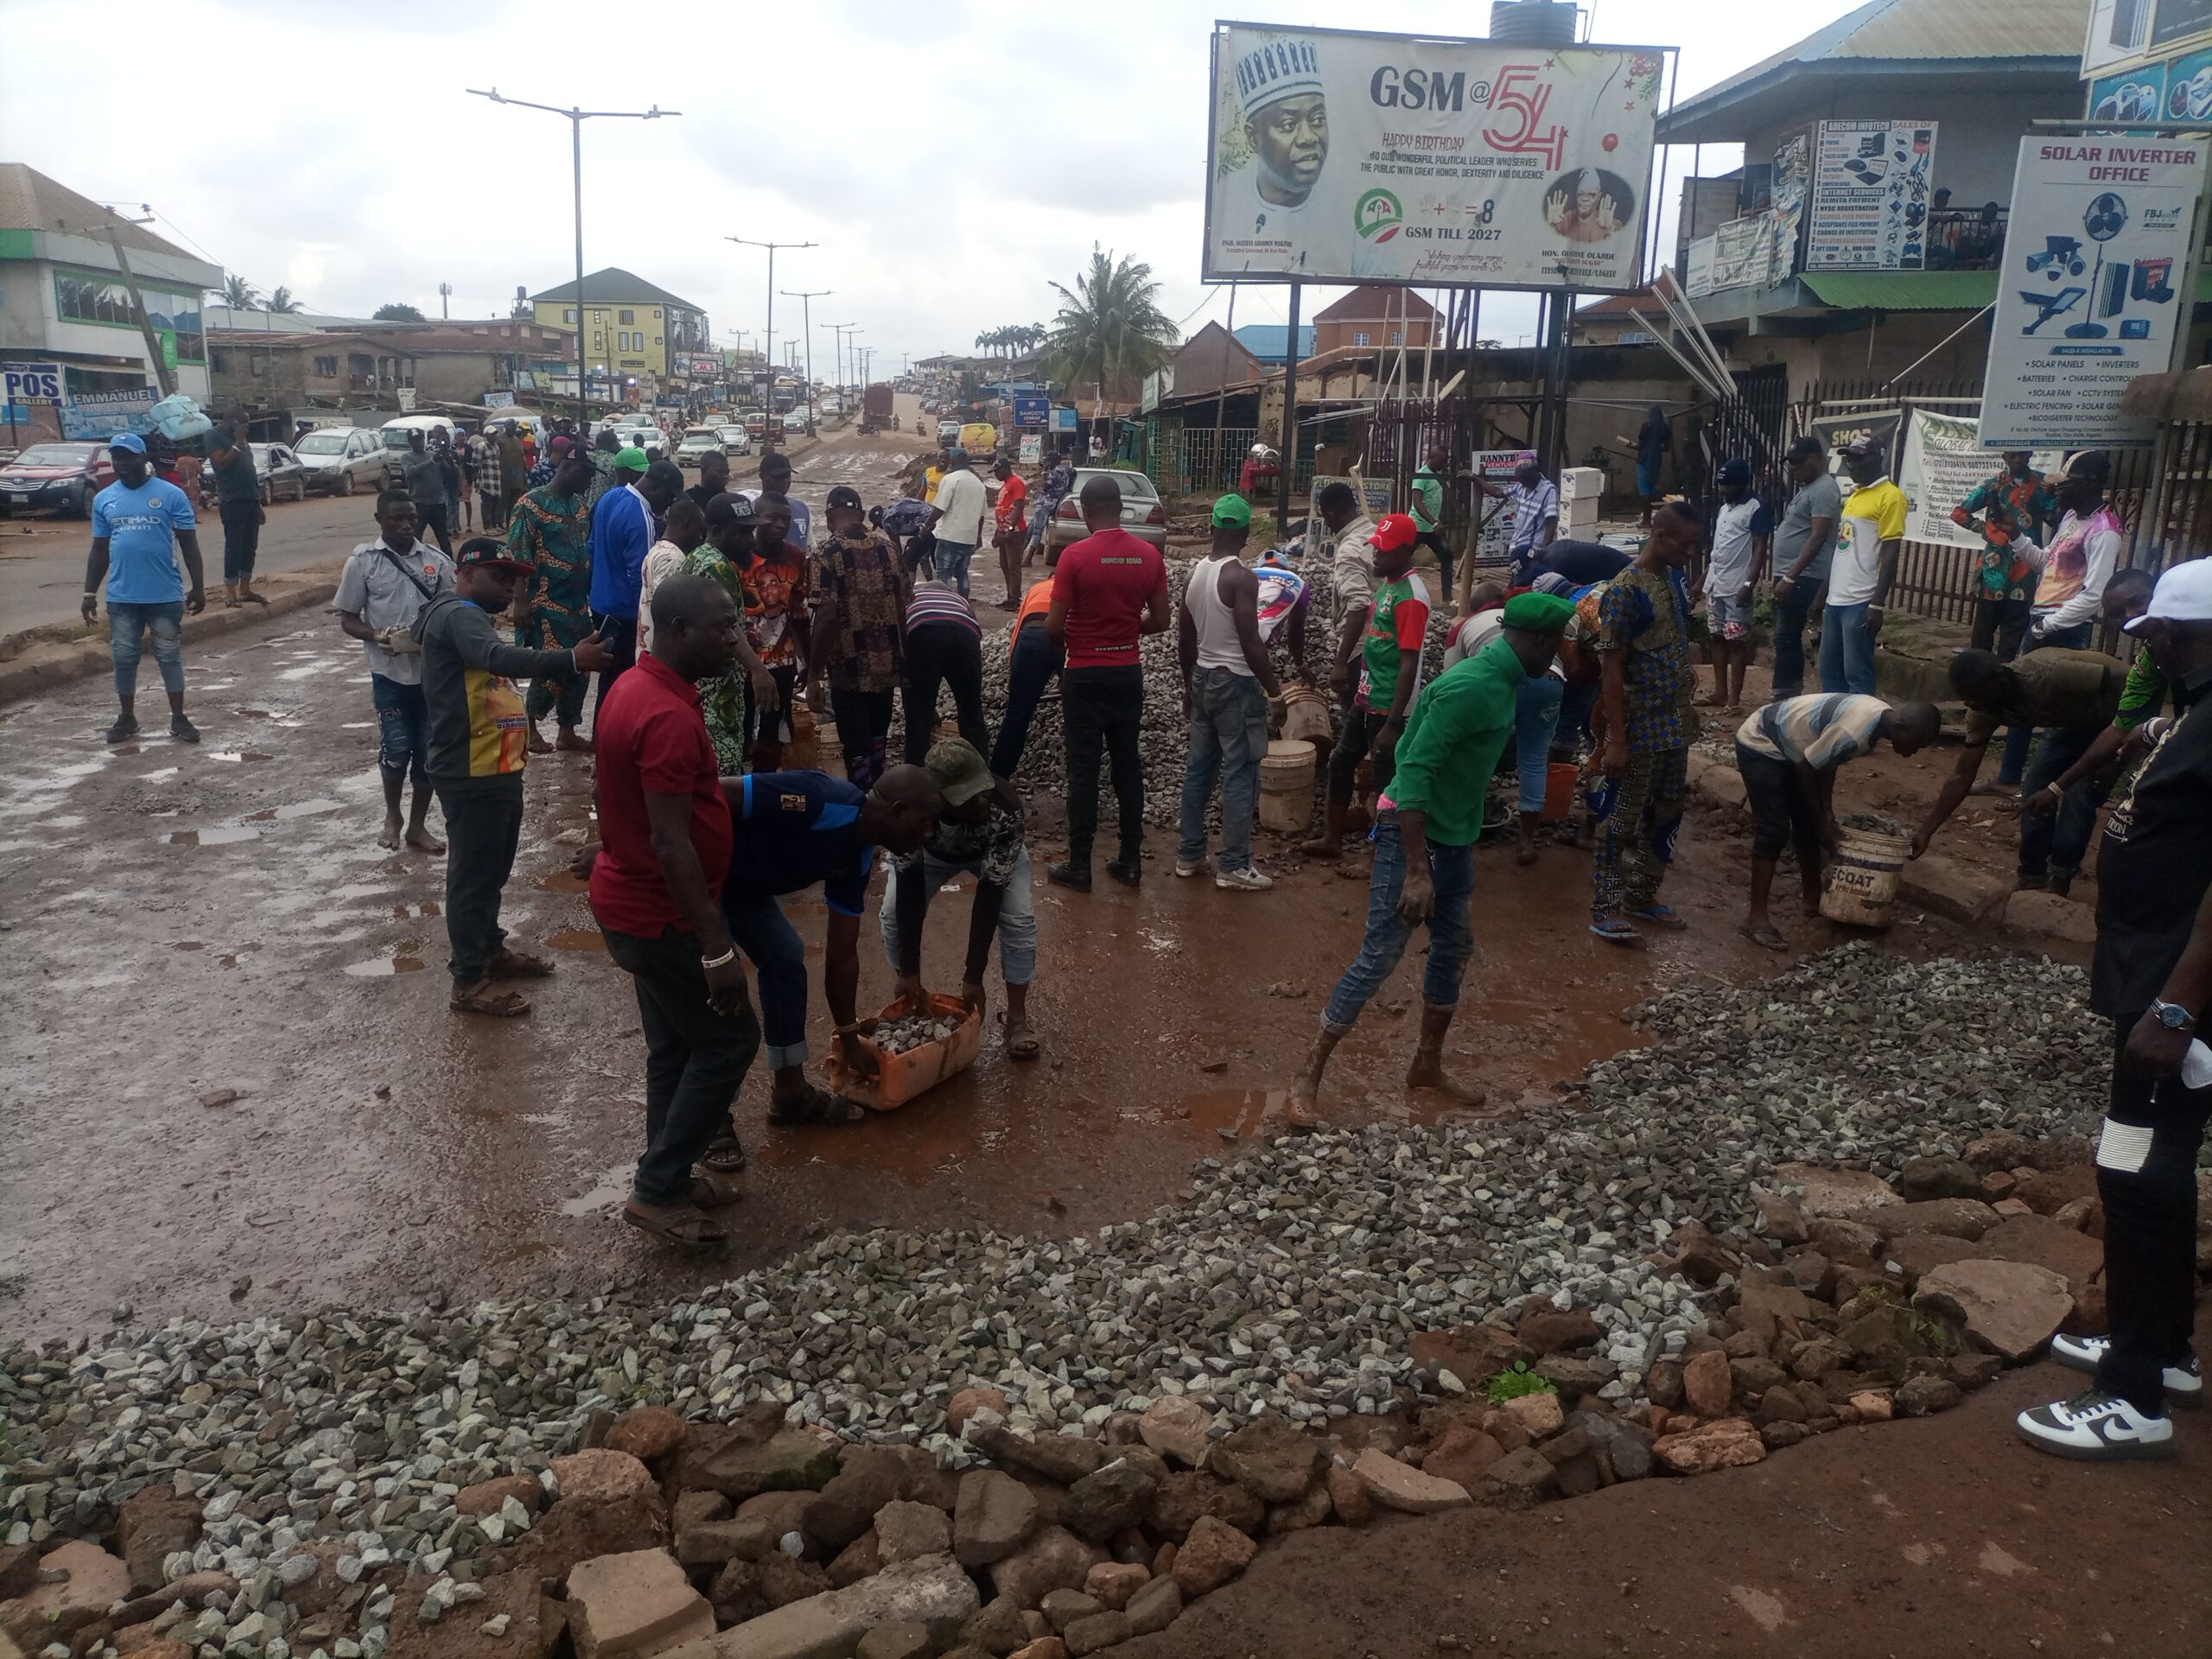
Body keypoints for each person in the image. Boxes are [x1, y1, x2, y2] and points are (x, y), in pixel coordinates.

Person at [2016, 557, 2212, 1462]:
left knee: (2135, 1169)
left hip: (2174, 999)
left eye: (2159, 632)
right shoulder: (2193, 712)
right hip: (2152, 979)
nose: (2150, 646)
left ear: (2191, 632)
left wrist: (2176, 1009)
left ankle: (2133, 1397)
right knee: (2152, 1164)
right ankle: (2161, 1347)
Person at [1286, 593, 1576, 1130]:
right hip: (1413, 835)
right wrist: (1417, 871)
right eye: (1557, 644)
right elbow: (1413, 772)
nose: (1560, 655)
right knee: (1380, 954)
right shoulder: (1472, 687)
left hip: (1454, 835)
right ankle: (1307, 1077)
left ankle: (1426, 1065)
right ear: (1539, 642)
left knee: (1453, 947)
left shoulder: (1504, 680)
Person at [586, 573, 754, 1249]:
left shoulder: (635, 687)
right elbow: (670, 842)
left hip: (632, 904)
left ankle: (669, 1177)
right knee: (731, 1041)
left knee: (674, 1048)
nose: (733, 639)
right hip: (660, 918)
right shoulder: (665, 717)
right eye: (722, 628)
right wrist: (716, 949)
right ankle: (657, 1189)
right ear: (679, 632)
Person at [416, 537, 613, 1017]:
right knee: (473, 877)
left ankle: (489, 950)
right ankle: (469, 980)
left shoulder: (465, 616)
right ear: (465, 574)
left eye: (514, 578)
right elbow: (499, 658)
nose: (510, 587)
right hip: (472, 770)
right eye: (500, 577)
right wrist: (569, 659)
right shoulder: (458, 615)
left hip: (493, 766)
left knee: (491, 871)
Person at [715, 765, 941, 1126]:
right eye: (926, 821)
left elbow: (842, 955)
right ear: (898, 812)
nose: (928, 834)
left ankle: (789, 1092)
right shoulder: (817, 798)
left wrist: (850, 1040)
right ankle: (709, 1123)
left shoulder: (857, 857)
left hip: (742, 887)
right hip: (699, 877)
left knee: (785, 958)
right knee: (717, 985)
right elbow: (712, 793)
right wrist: (639, 848)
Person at [1913, 645, 2130, 895]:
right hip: (2067, 725)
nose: (1971, 703)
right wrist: (1926, 831)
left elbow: (2125, 681)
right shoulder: (1982, 711)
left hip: (2111, 722)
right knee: (2035, 791)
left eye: (1975, 695)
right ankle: (2033, 874)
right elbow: (1962, 775)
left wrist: (2120, 749)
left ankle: (2061, 877)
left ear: (1998, 679)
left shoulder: (2049, 673)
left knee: (2079, 796)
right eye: (1964, 698)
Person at [1733, 696, 1941, 950]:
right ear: (1900, 726)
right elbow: (1807, 769)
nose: (1913, 753)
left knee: (1808, 822)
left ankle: (1812, 899)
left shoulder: (1878, 720)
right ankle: (1755, 919)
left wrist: (1826, 814)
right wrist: (1822, 820)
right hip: (1761, 740)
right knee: (1773, 830)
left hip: (1793, 748)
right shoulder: (1855, 733)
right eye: (1916, 744)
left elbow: (1826, 761)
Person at [1046, 473, 1170, 890]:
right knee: (1127, 765)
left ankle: (1079, 866)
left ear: (1085, 512)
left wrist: (1075, 641)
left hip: (1084, 675)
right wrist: (1128, 631)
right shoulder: (1149, 556)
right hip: (1126, 673)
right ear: (1120, 509)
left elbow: (1052, 626)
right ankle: (1130, 861)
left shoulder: (1074, 557)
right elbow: (1162, 620)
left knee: (1083, 770)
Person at [883, 737, 1041, 1062]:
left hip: (989, 850)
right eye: (966, 797)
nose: (979, 801)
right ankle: (910, 995)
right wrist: (909, 968)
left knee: (1020, 918)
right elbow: (910, 888)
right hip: (930, 855)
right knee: (891, 913)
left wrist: (973, 976)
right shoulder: (908, 811)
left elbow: (990, 892)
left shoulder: (1004, 808)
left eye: (980, 789)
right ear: (937, 796)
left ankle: (1017, 1018)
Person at [1591, 500, 1700, 944]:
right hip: (1640, 727)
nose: (1690, 553)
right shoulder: (1624, 592)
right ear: (1660, 536)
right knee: (1621, 818)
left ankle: (1642, 894)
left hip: (1676, 724)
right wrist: (1616, 740)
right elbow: (1610, 670)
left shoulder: (1671, 580)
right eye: (1685, 544)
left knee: (1669, 810)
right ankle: (1605, 907)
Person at [1302, 513, 1432, 861]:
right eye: (1376, 548)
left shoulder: (1411, 597)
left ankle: (1382, 858)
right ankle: (1332, 839)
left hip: (1389, 704)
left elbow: (1409, 662)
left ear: (1407, 551)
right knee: (1341, 761)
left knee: (1386, 780)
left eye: (1385, 551)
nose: (1377, 555)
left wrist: (1393, 722)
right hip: (1367, 695)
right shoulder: (1389, 583)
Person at [336, 489, 454, 853]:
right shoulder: (363, 563)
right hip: (388, 674)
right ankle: (393, 817)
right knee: (396, 749)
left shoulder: (436, 562)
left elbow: (453, 611)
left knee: (428, 754)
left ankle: (417, 826)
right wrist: (376, 635)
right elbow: (348, 619)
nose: (406, 525)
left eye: (411, 518)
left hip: (431, 676)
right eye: (396, 519)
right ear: (379, 520)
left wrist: (434, 639)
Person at [1176, 493, 1284, 892]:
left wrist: (1189, 687)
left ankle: (1190, 854)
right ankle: (1235, 864)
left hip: (1203, 678)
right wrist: (1275, 693)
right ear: (1245, 531)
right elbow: (1251, 641)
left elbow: (1185, 639)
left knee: (1199, 770)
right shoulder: (1241, 577)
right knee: (1241, 773)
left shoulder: (1194, 576)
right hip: (1236, 684)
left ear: (1211, 528)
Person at [82, 431, 205, 745]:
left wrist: (199, 587)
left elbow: (189, 544)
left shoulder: (171, 495)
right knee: (124, 657)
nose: (122, 463)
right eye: (117, 457)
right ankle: (127, 718)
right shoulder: (104, 499)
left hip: (164, 595)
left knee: (169, 656)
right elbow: (99, 549)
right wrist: (89, 593)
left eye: (129, 457)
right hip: (122, 597)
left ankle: (178, 718)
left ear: (144, 458)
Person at [2023, 569, 2164, 811]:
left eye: (2137, 601)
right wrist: (2056, 789)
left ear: (2159, 593)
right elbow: (2122, 726)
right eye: (2117, 614)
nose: (2130, 615)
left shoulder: (2196, 634)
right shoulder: (2149, 659)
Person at [808, 485, 909, 789]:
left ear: (829, 518)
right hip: (887, 666)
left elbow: (826, 616)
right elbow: (904, 605)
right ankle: (879, 797)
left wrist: (814, 676)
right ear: (862, 516)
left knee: (855, 748)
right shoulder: (891, 550)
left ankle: (862, 804)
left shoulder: (824, 553)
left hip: (848, 669)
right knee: (878, 740)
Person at [508, 448, 598, 754]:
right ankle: (530, 728)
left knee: (582, 666)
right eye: (585, 474)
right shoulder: (530, 505)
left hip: (578, 604)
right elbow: (518, 555)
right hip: (544, 601)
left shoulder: (580, 505)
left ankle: (567, 731)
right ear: (567, 467)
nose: (588, 481)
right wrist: (520, 602)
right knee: (548, 666)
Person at [689, 493, 776, 775]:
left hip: (705, 685)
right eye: (741, 532)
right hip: (716, 691)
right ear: (716, 531)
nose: (751, 539)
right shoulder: (716, 567)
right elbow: (727, 625)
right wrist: (758, 669)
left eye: (751, 531)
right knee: (722, 771)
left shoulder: (700, 557)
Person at [587, 449, 673, 719]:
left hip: (600, 605)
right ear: (656, 488)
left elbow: (592, 547)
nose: (668, 504)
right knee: (627, 681)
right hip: (626, 612)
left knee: (608, 677)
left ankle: (600, 731)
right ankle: (616, 732)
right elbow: (641, 577)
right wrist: (651, 622)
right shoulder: (641, 518)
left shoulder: (609, 497)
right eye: (669, 497)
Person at [1820, 440, 1906, 696]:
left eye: (1858, 459)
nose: (1851, 465)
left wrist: (1876, 604)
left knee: (1857, 672)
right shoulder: (1855, 495)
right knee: (1829, 670)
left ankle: (1863, 720)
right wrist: (1824, 593)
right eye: (1849, 459)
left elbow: (1891, 552)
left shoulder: (1891, 497)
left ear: (1877, 458)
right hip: (1835, 600)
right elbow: (1842, 550)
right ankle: (1835, 717)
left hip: (1860, 600)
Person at [1952, 451, 2056, 658]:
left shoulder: (2042, 485)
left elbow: (2053, 518)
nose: (2017, 459)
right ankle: (1979, 671)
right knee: (1983, 632)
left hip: (2025, 567)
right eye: (2012, 456)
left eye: (2022, 455)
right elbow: (1959, 513)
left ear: (2030, 455)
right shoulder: (1993, 485)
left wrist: (2055, 496)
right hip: (1995, 566)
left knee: (2014, 632)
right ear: (2004, 457)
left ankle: (2004, 672)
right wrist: (1987, 530)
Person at [743, 494, 812, 771]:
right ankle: (739, 787)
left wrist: (807, 662)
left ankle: (765, 786)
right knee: (743, 730)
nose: (782, 524)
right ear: (756, 519)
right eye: (773, 518)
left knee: (773, 735)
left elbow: (799, 612)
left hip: (781, 663)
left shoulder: (796, 557)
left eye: (786, 519)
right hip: (744, 664)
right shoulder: (740, 558)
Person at [1769, 437, 1840, 699]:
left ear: (1818, 458)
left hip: (1805, 576)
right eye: (1791, 463)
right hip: (1794, 574)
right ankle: (1787, 690)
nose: (1795, 468)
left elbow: (1818, 536)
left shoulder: (1823, 489)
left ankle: (1786, 693)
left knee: (1787, 635)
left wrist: (1790, 577)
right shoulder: (1809, 488)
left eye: (1800, 462)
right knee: (1785, 635)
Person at [1702, 458, 1772, 714]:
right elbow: (1717, 551)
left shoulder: (1757, 507)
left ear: (1742, 484)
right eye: (1721, 485)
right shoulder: (1725, 508)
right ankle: (1720, 692)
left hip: (1737, 587)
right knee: (1716, 637)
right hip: (1716, 585)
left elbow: (1760, 548)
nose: (1723, 490)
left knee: (1736, 641)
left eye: (1728, 485)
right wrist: (1701, 582)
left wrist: (1748, 584)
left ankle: (1734, 698)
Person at [904, 570, 990, 766]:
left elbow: (901, 644)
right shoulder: (960, 600)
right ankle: (980, 771)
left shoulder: (912, 598)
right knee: (971, 707)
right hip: (965, 636)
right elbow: (975, 632)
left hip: (923, 632)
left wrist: (923, 703)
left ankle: (916, 772)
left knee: (918, 714)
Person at [992, 575, 1064, 780]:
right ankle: (1080, 778)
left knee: (1017, 713)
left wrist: (1014, 664)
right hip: (1065, 634)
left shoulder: (1037, 588)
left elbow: (1018, 627)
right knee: (1078, 713)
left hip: (1032, 635)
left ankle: (998, 777)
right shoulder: (1078, 584)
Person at [204, 412, 265, 607]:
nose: (246, 427)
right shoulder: (214, 436)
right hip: (232, 500)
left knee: (250, 546)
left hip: (250, 499)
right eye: (243, 423)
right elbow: (221, 463)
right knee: (234, 546)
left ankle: (245, 589)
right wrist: (237, 443)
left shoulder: (243, 441)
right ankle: (231, 593)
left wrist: (258, 502)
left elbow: (249, 471)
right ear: (231, 421)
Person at [639, 499, 709, 658]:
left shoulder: (657, 549)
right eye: (699, 531)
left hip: (648, 642)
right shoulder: (672, 558)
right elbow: (669, 609)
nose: (700, 538)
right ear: (687, 525)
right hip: (661, 652)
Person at [1478, 460, 1560, 586]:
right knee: (1516, 582)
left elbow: (1551, 523)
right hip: (1517, 548)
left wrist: (1543, 551)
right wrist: (1474, 478)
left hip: (1533, 551)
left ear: (1536, 473)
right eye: (1519, 478)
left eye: (1525, 478)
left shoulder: (1549, 490)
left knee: (1525, 583)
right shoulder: (1521, 487)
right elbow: (1498, 492)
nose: (1522, 481)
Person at [925, 447, 988, 597]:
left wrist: (925, 526)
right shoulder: (979, 484)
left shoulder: (950, 479)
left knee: (943, 574)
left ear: (952, 462)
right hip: (969, 539)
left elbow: (939, 508)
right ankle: (964, 604)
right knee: (962, 573)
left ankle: (944, 604)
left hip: (950, 537)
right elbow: (982, 515)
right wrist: (978, 536)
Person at [1410, 444, 1453, 602]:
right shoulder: (1421, 475)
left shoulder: (1438, 476)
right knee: (1402, 559)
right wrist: (1433, 522)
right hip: (1417, 526)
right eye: (1442, 461)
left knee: (1447, 557)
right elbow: (1417, 502)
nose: (1444, 464)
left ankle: (1447, 599)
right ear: (1431, 458)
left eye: (1446, 461)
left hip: (1433, 528)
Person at [746, 450, 811, 550]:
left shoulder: (802, 509)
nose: (785, 480)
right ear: (762, 477)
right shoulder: (750, 511)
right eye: (779, 476)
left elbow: (809, 546)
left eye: (788, 475)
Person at [991, 456, 1028, 609]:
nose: (995, 474)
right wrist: (997, 532)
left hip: (1015, 531)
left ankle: (1015, 598)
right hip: (1004, 530)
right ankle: (1010, 595)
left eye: (997, 471)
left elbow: (1019, 506)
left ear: (1006, 469)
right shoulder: (1005, 485)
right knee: (1005, 565)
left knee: (1013, 566)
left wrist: (1011, 529)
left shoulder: (1016, 483)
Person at [1027, 449, 1075, 563]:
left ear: (1052, 460)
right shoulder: (1066, 470)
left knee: (1035, 531)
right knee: (1030, 530)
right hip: (1054, 502)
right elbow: (1073, 473)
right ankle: (1021, 556)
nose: (1047, 462)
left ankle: (1027, 559)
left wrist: (1044, 472)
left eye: (1048, 460)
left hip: (1046, 503)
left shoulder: (1055, 472)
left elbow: (1046, 487)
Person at [1630, 404, 1670, 527]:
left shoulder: (1646, 427)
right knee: (1651, 490)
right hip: (1656, 461)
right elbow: (1667, 448)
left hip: (1645, 460)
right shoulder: (1665, 428)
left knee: (1644, 492)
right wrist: (1656, 448)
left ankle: (1646, 521)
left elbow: (1640, 446)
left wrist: (1631, 446)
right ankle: (1648, 521)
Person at [475, 428, 511, 530]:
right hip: (486, 481)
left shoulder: (496, 446)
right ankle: (487, 527)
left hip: (496, 481)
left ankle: (495, 526)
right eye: (492, 434)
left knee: (496, 505)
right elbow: (475, 464)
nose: (494, 436)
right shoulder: (481, 447)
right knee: (487, 505)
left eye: (495, 434)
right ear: (486, 435)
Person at [497, 424, 530, 526]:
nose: (512, 429)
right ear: (505, 427)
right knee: (503, 501)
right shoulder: (500, 439)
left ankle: (510, 522)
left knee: (514, 502)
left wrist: (524, 472)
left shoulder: (517, 440)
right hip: (504, 475)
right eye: (510, 427)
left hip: (517, 474)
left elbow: (522, 457)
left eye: (513, 427)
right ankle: (500, 523)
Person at [685, 446, 731, 514]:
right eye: (719, 472)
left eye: (727, 472)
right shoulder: (689, 500)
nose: (726, 476)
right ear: (704, 470)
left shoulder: (730, 500)